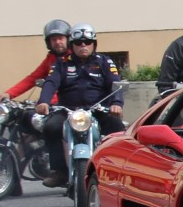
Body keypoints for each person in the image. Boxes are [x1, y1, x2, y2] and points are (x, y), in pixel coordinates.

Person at [34, 23, 125, 187]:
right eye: (78, 43)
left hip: (97, 109)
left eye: (87, 42)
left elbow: (115, 84)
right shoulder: (61, 63)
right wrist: (44, 102)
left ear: (94, 44)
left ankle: (117, 171)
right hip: (68, 110)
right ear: (72, 45)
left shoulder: (104, 62)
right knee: (51, 127)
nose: (83, 45)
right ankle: (59, 171)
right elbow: (50, 82)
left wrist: (116, 103)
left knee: (118, 128)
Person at [1, 19, 71, 102]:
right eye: (53, 39)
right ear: (49, 42)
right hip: (51, 105)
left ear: (68, 39)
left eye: (60, 38)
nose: (57, 42)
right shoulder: (51, 59)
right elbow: (33, 78)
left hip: (70, 105)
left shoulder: (75, 58)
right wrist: (9, 94)